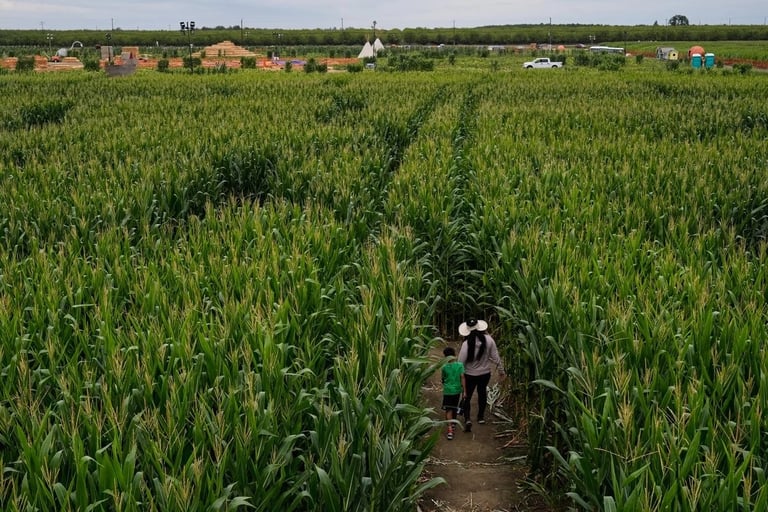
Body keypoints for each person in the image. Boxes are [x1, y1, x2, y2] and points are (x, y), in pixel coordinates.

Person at [457, 319, 505, 431]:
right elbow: (496, 357)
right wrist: (501, 371)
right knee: (482, 393)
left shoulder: (466, 344)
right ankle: (480, 417)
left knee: (466, 396)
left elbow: (460, 362)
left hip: (470, 375)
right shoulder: (489, 340)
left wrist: (458, 375)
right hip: (485, 374)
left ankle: (467, 419)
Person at [441, 346, 466, 440]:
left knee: (448, 409)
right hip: (457, 391)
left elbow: (443, 379)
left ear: (445, 356)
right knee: (454, 407)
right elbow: (462, 377)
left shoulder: (444, 367)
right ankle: (453, 424)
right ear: (454, 355)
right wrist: (465, 391)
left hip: (447, 391)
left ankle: (450, 429)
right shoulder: (460, 365)